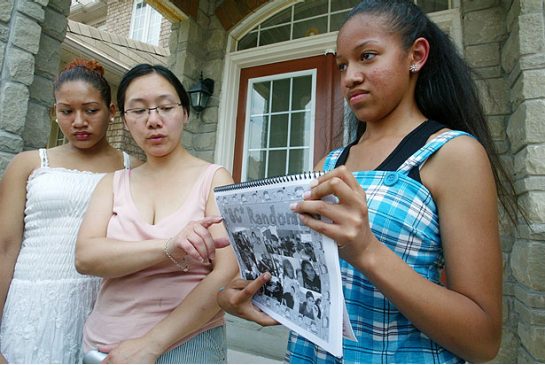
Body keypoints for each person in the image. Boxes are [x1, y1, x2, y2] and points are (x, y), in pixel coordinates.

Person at [217, 0, 519, 363]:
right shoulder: (330, 163)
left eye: (368, 56)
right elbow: (318, 290)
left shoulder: (452, 153)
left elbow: (483, 340)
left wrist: (366, 250)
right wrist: (250, 293)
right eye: (343, 65)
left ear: (416, 55)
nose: (349, 77)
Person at [75, 64, 238, 363]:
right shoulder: (112, 183)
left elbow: (227, 272)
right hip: (101, 348)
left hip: (187, 345)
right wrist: (169, 246)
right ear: (124, 120)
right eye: (138, 111)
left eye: (165, 107)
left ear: (185, 113)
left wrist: (151, 344)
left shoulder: (214, 179)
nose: (153, 120)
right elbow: (86, 257)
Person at [0, 59, 139, 363]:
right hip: (32, 305)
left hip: (104, 306)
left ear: (112, 111)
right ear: (55, 112)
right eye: (66, 111)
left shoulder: (135, 169)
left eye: (91, 110)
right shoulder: (28, 164)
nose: (79, 121)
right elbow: (4, 248)